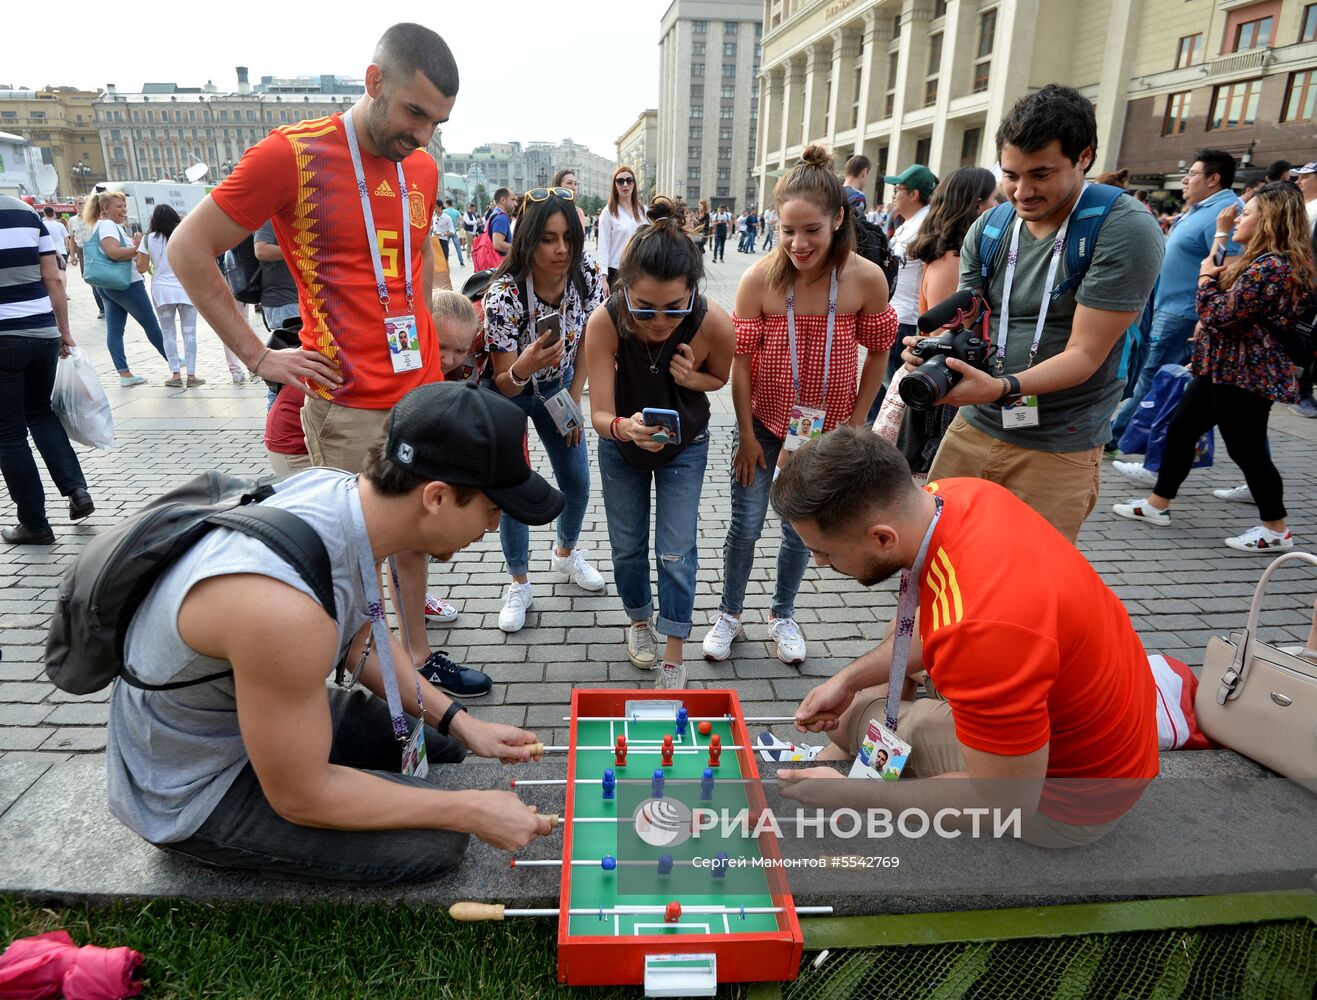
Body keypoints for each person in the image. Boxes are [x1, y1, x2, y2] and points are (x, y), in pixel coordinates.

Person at [106, 382, 564, 884]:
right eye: (492, 510)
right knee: (438, 842)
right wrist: (469, 811)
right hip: (193, 783)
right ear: (436, 497)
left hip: (249, 704)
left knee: (444, 747)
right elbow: (302, 796)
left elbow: (359, 636)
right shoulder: (284, 614)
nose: (492, 528)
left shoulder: (344, 494)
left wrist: (459, 721)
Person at [168, 23, 490, 700]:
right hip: (348, 407)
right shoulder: (290, 155)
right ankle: (377, 692)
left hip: (420, 392)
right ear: (373, 82)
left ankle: (420, 664)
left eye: (438, 121)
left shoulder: (422, 167)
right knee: (357, 564)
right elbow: (187, 251)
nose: (424, 135)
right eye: (414, 113)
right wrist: (259, 356)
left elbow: (406, 273)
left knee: (416, 541)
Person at [766, 427, 1159, 849]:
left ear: (882, 537)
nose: (820, 564)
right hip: (1103, 752)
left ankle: (841, 775)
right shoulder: (954, 495)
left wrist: (858, 796)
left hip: (1067, 806)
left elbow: (1006, 804)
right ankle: (841, 762)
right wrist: (848, 679)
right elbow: (933, 618)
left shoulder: (979, 633)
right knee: (857, 706)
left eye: (824, 551)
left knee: (854, 726)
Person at [908, 85, 1164, 543]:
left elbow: (1085, 353)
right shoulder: (989, 227)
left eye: (1041, 174)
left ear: (1083, 156)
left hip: (1057, 444)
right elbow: (974, 321)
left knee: (1024, 587)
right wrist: (935, 352)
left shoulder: (1122, 228)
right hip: (975, 426)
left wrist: (1004, 386)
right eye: (1010, 175)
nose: (1021, 192)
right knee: (936, 564)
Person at [702, 146, 896, 668]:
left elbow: (879, 353)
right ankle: (730, 614)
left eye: (811, 229)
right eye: (787, 230)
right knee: (745, 525)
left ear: (838, 219)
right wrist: (744, 435)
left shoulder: (866, 279)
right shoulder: (759, 280)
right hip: (764, 427)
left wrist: (858, 423)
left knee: (799, 529)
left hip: (827, 433)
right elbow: (741, 364)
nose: (798, 243)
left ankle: (783, 613)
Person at [1113, 183, 1316, 552]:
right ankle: (1159, 504)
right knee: (1181, 430)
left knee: (1247, 450)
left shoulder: (1274, 266)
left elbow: (1219, 312)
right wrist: (1218, 251)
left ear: (1268, 220)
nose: (1240, 217)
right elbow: (1224, 304)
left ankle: (1276, 528)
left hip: (1244, 374)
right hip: (1221, 368)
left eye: (1248, 213)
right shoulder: (1262, 261)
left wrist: (1205, 278)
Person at [584, 197, 735, 688]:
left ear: (694, 291)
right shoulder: (605, 321)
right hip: (621, 448)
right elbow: (600, 412)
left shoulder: (713, 321)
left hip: (685, 447)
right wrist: (622, 429)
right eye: (643, 308)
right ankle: (638, 623)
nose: (659, 321)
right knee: (627, 547)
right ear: (622, 290)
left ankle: (674, 648)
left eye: (675, 308)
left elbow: (719, 379)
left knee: (676, 549)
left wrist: (691, 380)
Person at [483, 186, 607, 633]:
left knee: (576, 479)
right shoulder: (504, 297)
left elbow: (594, 339)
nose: (561, 250)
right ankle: (518, 580)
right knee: (515, 487)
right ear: (527, 240)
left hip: (561, 388)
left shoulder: (587, 274)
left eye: (568, 238)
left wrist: (574, 398)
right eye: (548, 239)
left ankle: (566, 553)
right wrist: (524, 365)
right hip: (513, 393)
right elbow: (502, 381)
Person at [1111, 150, 1245, 445]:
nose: (1185, 180)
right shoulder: (1201, 208)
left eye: (1192, 174)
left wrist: (1206, 316)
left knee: (1150, 374)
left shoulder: (1228, 212)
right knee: (1160, 375)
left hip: (1184, 311)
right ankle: (1149, 440)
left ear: (1213, 179)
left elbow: (1229, 266)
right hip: (1168, 307)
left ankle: (1115, 436)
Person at [0, 194, 94, 545]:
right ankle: (76, 489)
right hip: (43, 334)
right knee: (40, 413)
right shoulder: (26, 213)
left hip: (3, 339)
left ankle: (35, 524)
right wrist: (63, 331)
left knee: (9, 434)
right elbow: (53, 278)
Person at [897, 167, 999, 474]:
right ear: (977, 205)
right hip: (946, 386)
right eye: (994, 200)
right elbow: (944, 336)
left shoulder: (949, 257)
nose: (998, 209)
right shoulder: (953, 262)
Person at [867, 163, 938, 421]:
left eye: (897, 189)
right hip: (895, 314)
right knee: (883, 383)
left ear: (914, 194)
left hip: (907, 319)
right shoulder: (908, 223)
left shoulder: (926, 225)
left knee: (894, 385)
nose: (893, 195)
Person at [82, 190, 170, 387]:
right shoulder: (108, 225)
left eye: (124, 206)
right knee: (150, 323)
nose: (123, 210)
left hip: (107, 285)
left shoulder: (102, 225)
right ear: (105, 208)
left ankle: (125, 374)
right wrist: (138, 247)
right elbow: (113, 252)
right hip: (126, 283)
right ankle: (173, 361)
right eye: (118, 206)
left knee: (114, 330)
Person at [135, 205, 202, 389]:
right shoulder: (184, 235)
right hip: (185, 287)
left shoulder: (148, 239)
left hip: (161, 290)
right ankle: (192, 374)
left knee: (168, 333)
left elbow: (141, 267)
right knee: (189, 333)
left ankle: (175, 374)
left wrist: (151, 268)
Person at [1289, 161, 1317, 418]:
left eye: (1304, 178)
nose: (1298, 182)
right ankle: (1297, 390)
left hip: (1309, 288)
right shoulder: (1301, 210)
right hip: (1296, 286)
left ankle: (1302, 391)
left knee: (1305, 336)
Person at [597, 165, 646, 284]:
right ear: (614, 185)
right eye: (620, 181)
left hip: (641, 271)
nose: (625, 185)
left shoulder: (644, 211)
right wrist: (603, 278)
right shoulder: (608, 212)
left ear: (634, 184)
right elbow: (603, 247)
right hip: (616, 273)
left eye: (629, 180)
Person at [252, 219, 301, 332]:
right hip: (282, 301)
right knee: (290, 345)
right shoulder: (270, 218)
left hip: (293, 298)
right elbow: (261, 250)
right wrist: (298, 252)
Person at [552, 168, 590, 238]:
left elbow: (579, 239)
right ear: (558, 185)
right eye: (569, 183)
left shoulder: (578, 212)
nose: (574, 187)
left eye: (575, 184)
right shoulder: (547, 209)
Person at [41, 207, 70, 287]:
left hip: (48, 252)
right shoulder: (60, 225)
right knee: (62, 272)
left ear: (44, 213)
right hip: (62, 251)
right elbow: (67, 239)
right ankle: (64, 291)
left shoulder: (42, 225)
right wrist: (67, 249)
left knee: (51, 274)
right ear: (54, 213)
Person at [488, 188, 515, 260]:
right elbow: (498, 244)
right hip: (500, 261)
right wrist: (518, 249)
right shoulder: (501, 217)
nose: (515, 204)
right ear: (503, 200)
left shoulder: (495, 214)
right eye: (512, 200)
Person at [442, 198, 465, 267]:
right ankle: (461, 262)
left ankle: (446, 262)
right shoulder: (456, 211)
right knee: (458, 247)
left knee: (446, 247)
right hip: (454, 230)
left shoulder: (444, 211)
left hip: (447, 231)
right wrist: (459, 227)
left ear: (447, 204)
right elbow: (463, 220)